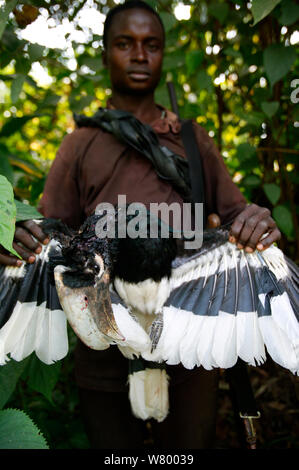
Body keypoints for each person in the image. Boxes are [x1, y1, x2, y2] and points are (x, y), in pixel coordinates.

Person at [0, 1, 281, 449]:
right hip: (103, 345)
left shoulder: (193, 139)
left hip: (193, 337)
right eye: (125, 44)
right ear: (106, 53)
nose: (138, 55)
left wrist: (256, 223)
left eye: (151, 45)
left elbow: (235, 220)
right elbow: (52, 232)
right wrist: (19, 235)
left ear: (163, 54)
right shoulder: (81, 144)